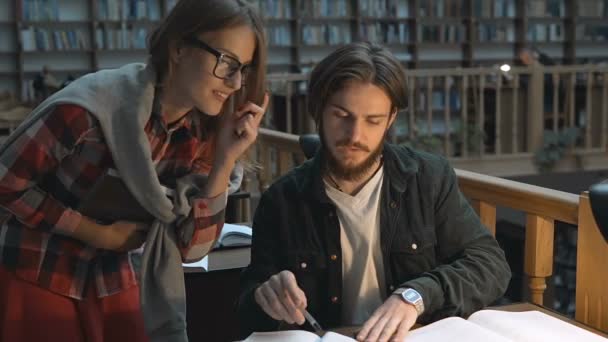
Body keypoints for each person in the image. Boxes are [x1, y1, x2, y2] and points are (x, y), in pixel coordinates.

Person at [0, 0, 267, 341]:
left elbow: (194, 248)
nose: (234, 82)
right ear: (179, 48)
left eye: (243, 68)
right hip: (39, 265)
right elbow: (6, 184)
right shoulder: (91, 110)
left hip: (111, 271)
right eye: (227, 62)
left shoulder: (202, 133)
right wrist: (97, 233)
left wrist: (225, 160)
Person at [237, 42, 511, 342]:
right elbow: (246, 307)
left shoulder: (428, 179)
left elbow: (490, 264)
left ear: (391, 118)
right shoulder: (281, 200)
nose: (355, 135)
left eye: (373, 121)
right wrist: (266, 296)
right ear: (318, 110)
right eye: (342, 115)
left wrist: (416, 295)